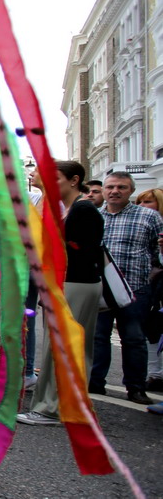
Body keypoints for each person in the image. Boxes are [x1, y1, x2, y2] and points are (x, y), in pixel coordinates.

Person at [18, 161, 104, 425]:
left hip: (76, 282)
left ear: (74, 180)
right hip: (69, 282)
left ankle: (52, 409)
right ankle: (58, 406)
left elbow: (80, 251)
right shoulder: (72, 209)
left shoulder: (82, 210)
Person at [89, 172, 163, 405]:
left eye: (121, 187)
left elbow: (156, 252)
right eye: (110, 187)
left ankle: (135, 387)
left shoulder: (149, 217)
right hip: (101, 288)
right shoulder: (95, 216)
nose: (114, 191)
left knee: (133, 338)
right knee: (98, 337)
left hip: (135, 288)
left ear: (130, 190)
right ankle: (95, 382)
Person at [134, 188, 163, 393]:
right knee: (150, 331)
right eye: (141, 202)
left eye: (149, 202)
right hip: (149, 284)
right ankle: (154, 374)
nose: (144, 207)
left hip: (153, 283)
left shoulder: (154, 225)